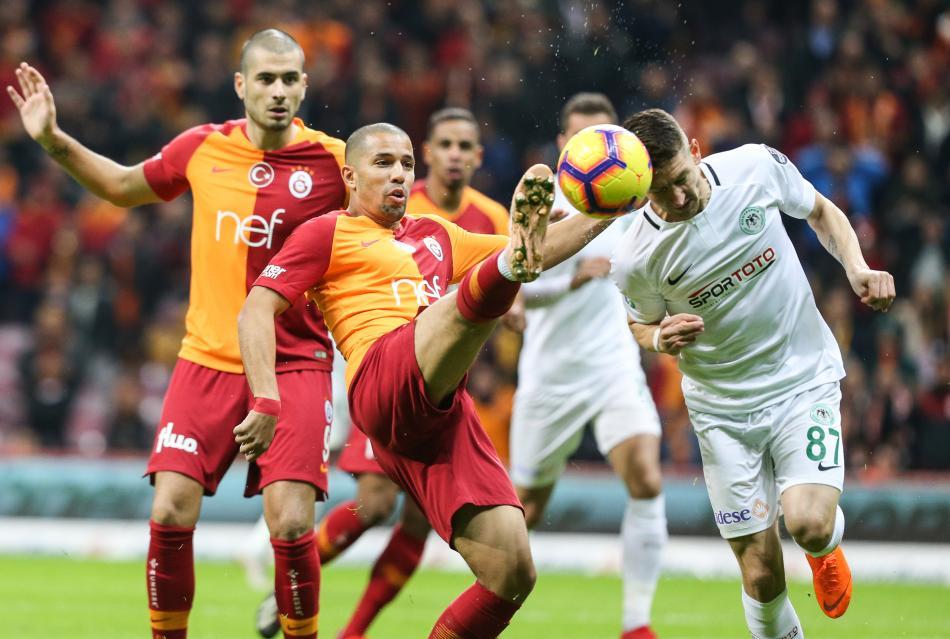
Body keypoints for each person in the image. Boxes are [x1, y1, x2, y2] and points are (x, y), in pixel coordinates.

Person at [7, 29, 346, 639]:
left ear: (304, 86)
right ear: (240, 85)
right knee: (169, 509)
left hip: (294, 361)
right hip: (206, 359)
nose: (277, 91)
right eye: (264, 79)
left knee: (291, 524)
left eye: (288, 79)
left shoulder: (335, 163)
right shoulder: (202, 147)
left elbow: (400, 224)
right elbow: (120, 186)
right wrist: (54, 139)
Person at [238, 122, 621, 638]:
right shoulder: (325, 233)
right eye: (383, 164)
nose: (398, 174)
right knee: (473, 298)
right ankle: (506, 268)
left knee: (511, 572)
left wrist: (607, 212)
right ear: (350, 176)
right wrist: (266, 398)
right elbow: (257, 308)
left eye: (405, 164)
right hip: (380, 377)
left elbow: (542, 250)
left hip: (441, 408)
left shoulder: (436, 234)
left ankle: (507, 267)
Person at [613, 108, 895, 639]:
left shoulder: (754, 168)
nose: (679, 198)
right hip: (721, 411)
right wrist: (658, 338)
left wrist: (857, 267)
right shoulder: (635, 257)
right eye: (660, 192)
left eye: (682, 178)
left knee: (809, 524)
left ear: (695, 149)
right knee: (761, 575)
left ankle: (824, 547)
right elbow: (638, 324)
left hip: (800, 380)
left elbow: (821, 211)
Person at [253, 106, 514, 639]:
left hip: (439, 380)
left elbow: (515, 263)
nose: (455, 156)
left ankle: (353, 631)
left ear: (477, 157)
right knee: (372, 503)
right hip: (385, 376)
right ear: (434, 153)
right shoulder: (388, 207)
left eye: (466, 147)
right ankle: (295, 583)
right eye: (446, 145)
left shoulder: (482, 218)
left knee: (422, 522)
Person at [509, 93, 667, 639]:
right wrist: (571, 282)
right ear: (563, 145)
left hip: (612, 364)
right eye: (584, 139)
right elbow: (515, 290)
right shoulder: (539, 202)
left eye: (607, 139)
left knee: (646, 476)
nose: (599, 151)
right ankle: (485, 610)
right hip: (549, 373)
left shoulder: (636, 200)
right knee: (525, 507)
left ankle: (636, 623)